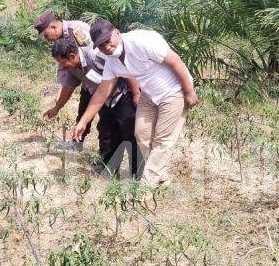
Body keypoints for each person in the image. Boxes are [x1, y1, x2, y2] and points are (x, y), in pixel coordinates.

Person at [72, 20, 198, 186]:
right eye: (101, 45)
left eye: (108, 40)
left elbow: (175, 60)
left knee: (163, 140)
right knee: (142, 134)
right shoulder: (112, 61)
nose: (107, 47)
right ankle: (160, 175)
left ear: (116, 32)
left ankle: (146, 186)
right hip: (149, 94)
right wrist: (83, 121)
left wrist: (188, 91)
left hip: (173, 90)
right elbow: (102, 92)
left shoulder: (141, 41)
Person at [44, 35, 142, 176]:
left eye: (63, 63)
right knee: (106, 135)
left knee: (131, 136)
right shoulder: (72, 68)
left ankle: (137, 175)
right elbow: (67, 88)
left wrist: (136, 94)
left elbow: (125, 71)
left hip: (123, 96)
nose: (62, 67)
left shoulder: (95, 55)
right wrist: (57, 108)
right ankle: (108, 170)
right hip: (103, 101)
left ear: (72, 56)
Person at [34, 10, 95, 147]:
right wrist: (59, 97)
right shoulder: (60, 42)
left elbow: (93, 60)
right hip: (87, 85)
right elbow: (65, 71)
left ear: (53, 27)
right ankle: (76, 146)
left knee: (109, 123)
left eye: (45, 35)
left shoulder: (77, 30)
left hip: (102, 83)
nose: (46, 38)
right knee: (82, 117)